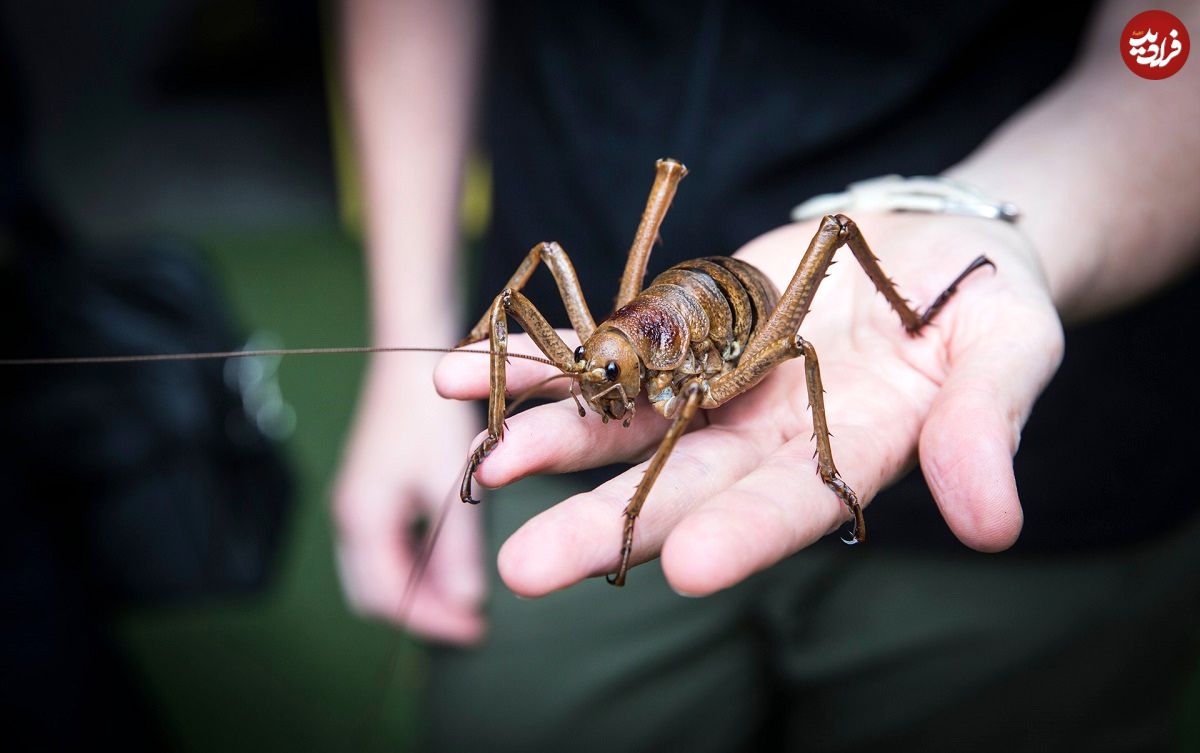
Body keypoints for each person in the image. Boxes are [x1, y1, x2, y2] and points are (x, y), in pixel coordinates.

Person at [333, 0, 1200, 750]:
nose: (607, 390)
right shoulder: (595, 354)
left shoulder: (701, 384)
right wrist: (423, 353)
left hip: (1063, 470)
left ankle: (906, 315)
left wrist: (1013, 219)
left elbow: (1171, 44)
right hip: (581, 431)